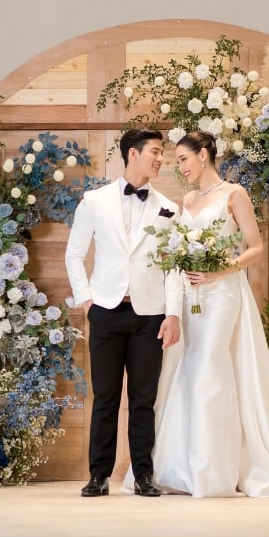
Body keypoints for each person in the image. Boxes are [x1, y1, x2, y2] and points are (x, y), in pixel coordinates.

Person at [126, 131, 269, 498]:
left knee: (209, 366)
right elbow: (176, 246)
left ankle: (212, 472)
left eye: (184, 159)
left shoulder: (235, 194)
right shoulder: (187, 200)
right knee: (185, 371)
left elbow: (256, 247)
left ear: (203, 155)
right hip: (190, 296)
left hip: (222, 294)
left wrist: (220, 269)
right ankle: (180, 467)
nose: (180, 167)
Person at [65, 128, 182, 498]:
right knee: (106, 398)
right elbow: (74, 253)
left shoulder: (168, 207)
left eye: (162, 152)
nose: (161, 158)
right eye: (155, 151)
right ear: (133, 153)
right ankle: (98, 476)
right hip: (107, 311)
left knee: (144, 400)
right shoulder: (94, 201)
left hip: (151, 315)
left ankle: (144, 475)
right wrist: (87, 301)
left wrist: (173, 313)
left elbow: (174, 266)